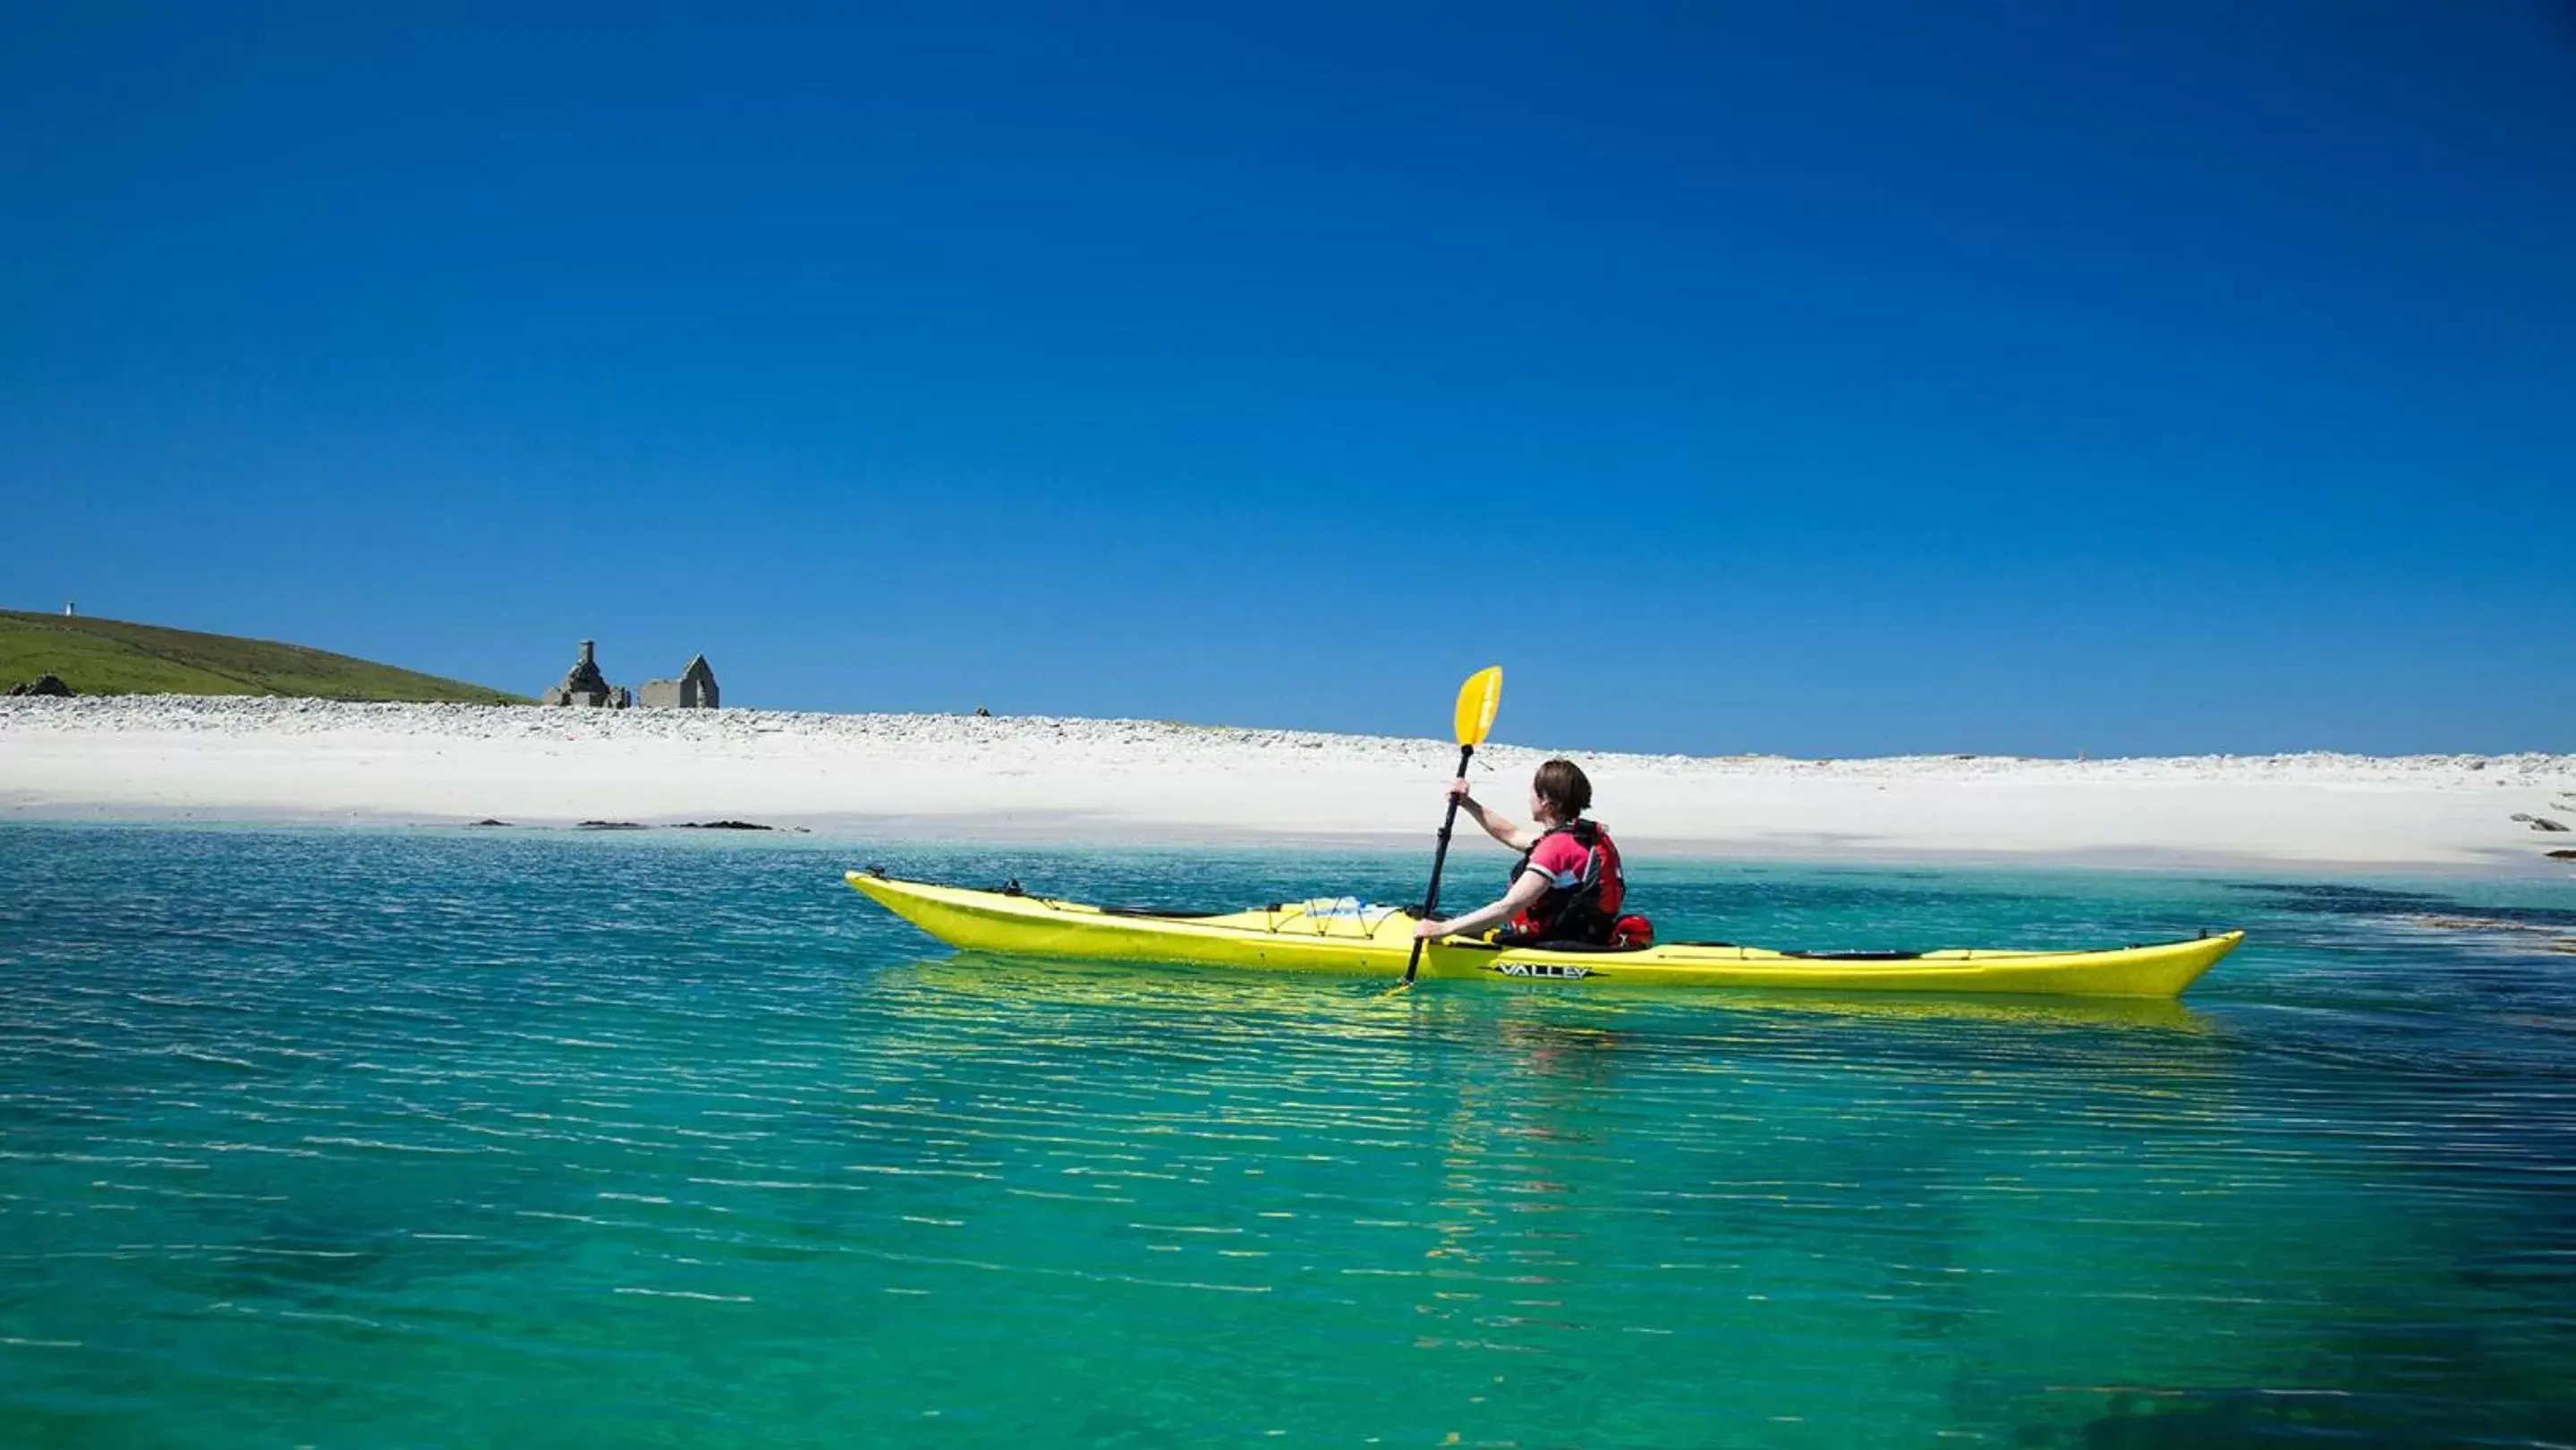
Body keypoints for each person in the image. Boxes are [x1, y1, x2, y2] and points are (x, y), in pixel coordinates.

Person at [1413, 757, 1633, 946]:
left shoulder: (1556, 848)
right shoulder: (1579, 837)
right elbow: (1511, 834)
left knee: (1452, 924)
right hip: (1588, 935)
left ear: (1546, 802)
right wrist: (1467, 803)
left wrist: (1442, 930)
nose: (1529, 796)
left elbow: (1508, 908)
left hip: (1558, 942)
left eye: (1533, 791)